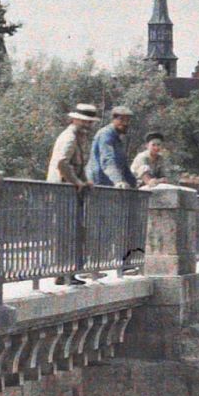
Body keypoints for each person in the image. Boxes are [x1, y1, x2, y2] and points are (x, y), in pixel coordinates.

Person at [46, 105, 99, 284]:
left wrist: (84, 180)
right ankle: (64, 273)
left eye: (90, 122)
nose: (87, 125)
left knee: (71, 231)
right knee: (65, 232)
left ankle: (66, 273)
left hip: (68, 191)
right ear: (75, 119)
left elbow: (77, 164)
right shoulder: (69, 137)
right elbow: (62, 163)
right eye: (84, 121)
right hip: (63, 191)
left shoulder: (77, 138)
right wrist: (77, 182)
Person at [88, 106, 134, 188]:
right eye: (121, 119)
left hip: (109, 183)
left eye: (128, 120)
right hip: (98, 184)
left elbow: (123, 165)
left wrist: (133, 183)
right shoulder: (105, 134)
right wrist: (118, 181)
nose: (125, 123)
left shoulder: (118, 138)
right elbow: (107, 160)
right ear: (113, 119)